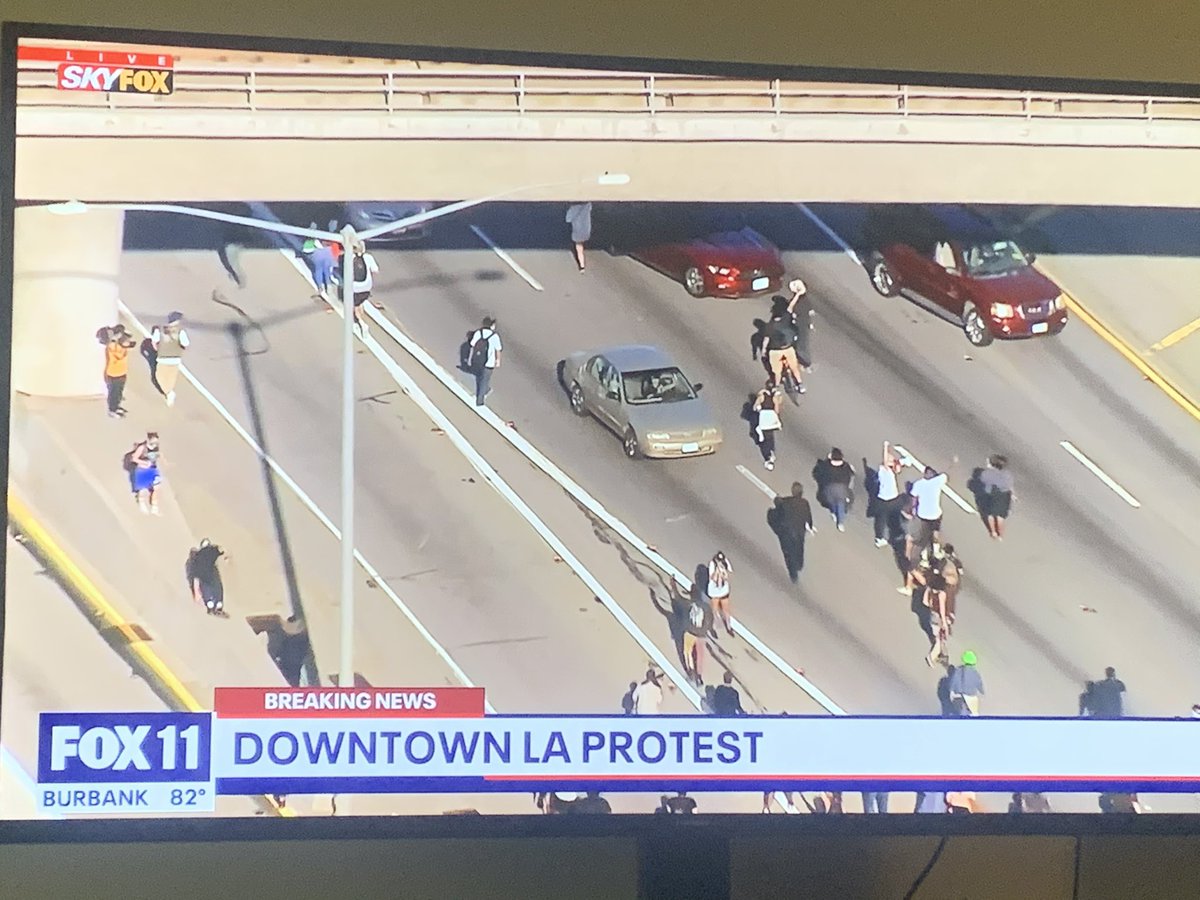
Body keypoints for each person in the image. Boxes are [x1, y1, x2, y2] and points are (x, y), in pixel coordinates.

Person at [914, 541, 963, 667]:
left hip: (932, 615)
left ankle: (943, 654)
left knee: (940, 637)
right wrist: (945, 622)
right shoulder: (942, 594)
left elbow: (926, 601)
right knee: (939, 639)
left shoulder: (931, 591)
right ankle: (932, 657)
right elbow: (942, 609)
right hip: (940, 617)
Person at [758, 294, 805, 392]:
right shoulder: (786, 318)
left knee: (777, 372)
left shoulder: (770, 326)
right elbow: (791, 306)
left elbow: (766, 340)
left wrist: (763, 351)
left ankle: (776, 387)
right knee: (794, 367)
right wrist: (797, 295)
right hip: (788, 348)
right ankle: (800, 384)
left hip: (775, 351)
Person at [773, 483, 815, 582]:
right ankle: (799, 564)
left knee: (788, 552)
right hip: (799, 532)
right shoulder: (805, 503)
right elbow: (809, 517)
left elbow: (779, 503)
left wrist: (777, 498)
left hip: (787, 531)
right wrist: (810, 525)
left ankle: (793, 574)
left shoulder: (787, 502)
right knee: (799, 547)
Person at [150, 312, 189, 407]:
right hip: (175, 358)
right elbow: (185, 344)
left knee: (159, 377)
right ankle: (169, 392)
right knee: (170, 378)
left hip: (163, 358)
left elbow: (154, 342)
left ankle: (169, 393)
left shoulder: (159, 330)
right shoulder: (180, 331)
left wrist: (158, 350)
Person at [873, 442, 905, 548]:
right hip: (885, 499)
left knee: (893, 516)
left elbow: (898, 466)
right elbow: (887, 461)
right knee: (882, 519)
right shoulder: (885, 470)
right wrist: (886, 447)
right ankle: (879, 538)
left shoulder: (888, 470)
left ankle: (895, 532)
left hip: (892, 498)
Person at [814, 448, 854, 532]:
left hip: (829, 489)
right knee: (840, 503)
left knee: (831, 502)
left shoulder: (827, 465)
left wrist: (827, 459)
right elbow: (852, 474)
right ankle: (840, 522)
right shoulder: (846, 466)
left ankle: (833, 512)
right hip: (842, 489)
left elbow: (818, 472)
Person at [187, 538, 228, 617]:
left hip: (204, 577)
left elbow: (194, 570)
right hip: (211, 575)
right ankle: (218, 606)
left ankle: (211, 606)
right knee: (217, 590)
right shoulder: (212, 551)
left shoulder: (197, 556)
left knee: (207, 591)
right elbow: (221, 551)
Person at [680, 591, 714, 686]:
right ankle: (699, 676)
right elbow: (710, 620)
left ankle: (690, 672)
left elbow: (685, 617)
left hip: (690, 632)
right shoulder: (706, 607)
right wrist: (707, 630)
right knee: (700, 656)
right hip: (701, 634)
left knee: (687, 652)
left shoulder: (689, 604)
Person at [468, 317, 503, 407]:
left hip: (478, 361)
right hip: (489, 363)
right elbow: (498, 350)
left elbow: (472, 344)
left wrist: (470, 358)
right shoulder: (494, 336)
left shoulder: (478, 333)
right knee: (484, 380)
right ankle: (480, 401)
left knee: (480, 378)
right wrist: (498, 360)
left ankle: (485, 391)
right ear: (491, 326)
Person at [980, 454, 1014, 539]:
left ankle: (993, 532)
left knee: (990, 515)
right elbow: (1010, 486)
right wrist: (1013, 495)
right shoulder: (1007, 474)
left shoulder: (986, 474)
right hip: (1004, 496)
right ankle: (1000, 535)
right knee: (1000, 517)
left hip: (992, 495)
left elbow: (984, 482)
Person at [128, 432, 164, 515]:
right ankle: (141, 502)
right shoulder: (142, 448)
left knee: (156, 488)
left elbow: (156, 456)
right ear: (149, 440)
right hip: (142, 471)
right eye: (153, 441)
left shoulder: (155, 447)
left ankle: (155, 508)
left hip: (153, 470)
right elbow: (134, 459)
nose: (155, 443)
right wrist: (144, 463)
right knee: (143, 490)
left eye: (156, 441)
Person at [103, 325, 134, 418]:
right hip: (113, 373)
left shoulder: (120, 346)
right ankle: (112, 410)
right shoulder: (112, 346)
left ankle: (117, 406)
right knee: (113, 392)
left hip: (122, 372)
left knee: (119, 391)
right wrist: (117, 340)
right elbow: (117, 355)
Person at [349, 242, 379, 334]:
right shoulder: (368, 257)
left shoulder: (349, 258)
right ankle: (360, 316)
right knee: (360, 302)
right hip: (367, 287)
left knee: (355, 306)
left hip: (355, 288)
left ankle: (362, 323)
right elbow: (376, 271)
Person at [706, 552, 734, 636]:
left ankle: (729, 627)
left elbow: (730, 571)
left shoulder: (725, 562)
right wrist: (718, 570)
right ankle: (713, 627)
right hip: (714, 591)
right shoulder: (712, 564)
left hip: (723, 590)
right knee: (715, 610)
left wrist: (724, 567)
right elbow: (712, 577)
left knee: (726, 610)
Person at [753, 388, 782, 471]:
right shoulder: (775, 399)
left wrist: (758, 408)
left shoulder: (762, 397)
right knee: (770, 436)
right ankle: (771, 451)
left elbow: (755, 407)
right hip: (771, 420)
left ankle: (768, 457)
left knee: (765, 439)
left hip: (764, 419)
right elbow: (776, 411)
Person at [948, 650, 984, 715]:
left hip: (958, 694)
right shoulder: (975, 673)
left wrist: (952, 691)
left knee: (960, 709)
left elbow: (954, 681)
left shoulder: (958, 670)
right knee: (974, 712)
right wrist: (982, 691)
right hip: (970, 695)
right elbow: (979, 683)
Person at [565, 201, 593, 271]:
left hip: (578, 230)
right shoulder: (587, 205)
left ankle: (582, 266)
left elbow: (568, 219)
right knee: (581, 245)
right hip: (586, 229)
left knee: (579, 247)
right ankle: (582, 265)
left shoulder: (574, 208)